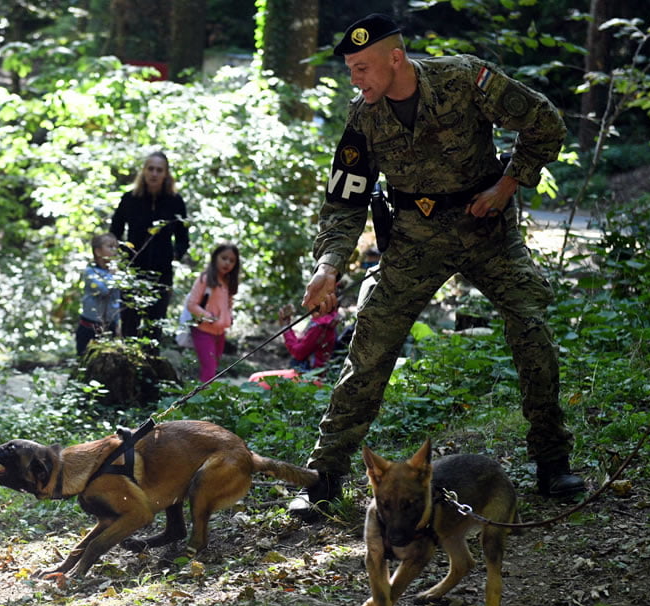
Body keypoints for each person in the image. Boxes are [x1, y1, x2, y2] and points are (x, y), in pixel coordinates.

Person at [289, 13, 585, 520]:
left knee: (530, 327)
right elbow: (344, 201)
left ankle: (553, 461)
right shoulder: (363, 116)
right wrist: (329, 265)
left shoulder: (464, 79)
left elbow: (544, 123)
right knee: (370, 346)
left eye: (363, 68)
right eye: (351, 70)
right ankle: (324, 476)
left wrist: (506, 187)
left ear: (395, 58)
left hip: (485, 229)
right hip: (413, 239)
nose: (356, 80)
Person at [109, 151, 189, 344]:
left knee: (154, 327)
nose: (154, 173)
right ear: (144, 171)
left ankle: (151, 370)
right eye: (150, 169)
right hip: (132, 271)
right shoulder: (129, 199)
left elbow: (183, 236)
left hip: (162, 273)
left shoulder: (175, 201)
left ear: (166, 174)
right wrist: (117, 258)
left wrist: (176, 254)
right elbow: (115, 232)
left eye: (159, 170)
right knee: (129, 325)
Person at [185, 243, 240, 381]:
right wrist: (209, 318)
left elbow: (227, 306)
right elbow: (191, 304)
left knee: (213, 367)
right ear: (215, 257)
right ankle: (200, 399)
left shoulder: (228, 282)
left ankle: (204, 397)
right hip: (202, 330)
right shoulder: (205, 278)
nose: (227, 263)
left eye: (231, 260)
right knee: (209, 369)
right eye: (224, 258)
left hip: (219, 332)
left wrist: (229, 317)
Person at [76, 231, 122, 356]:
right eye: (110, 247)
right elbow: (104, 290)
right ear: (98, 251)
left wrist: (118, 323)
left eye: (116, 247)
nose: (114, 251)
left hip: (109, 326)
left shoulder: (118, 274)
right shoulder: (90, 272)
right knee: (84, 360)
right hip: (89, 326)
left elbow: (116, 300)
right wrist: (113, 276)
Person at [279, 303, 339, 371]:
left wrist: (285, 328)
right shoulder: (329, 319)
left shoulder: (321, 326)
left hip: (313, 371)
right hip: (321, 368)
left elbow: (299, 353)